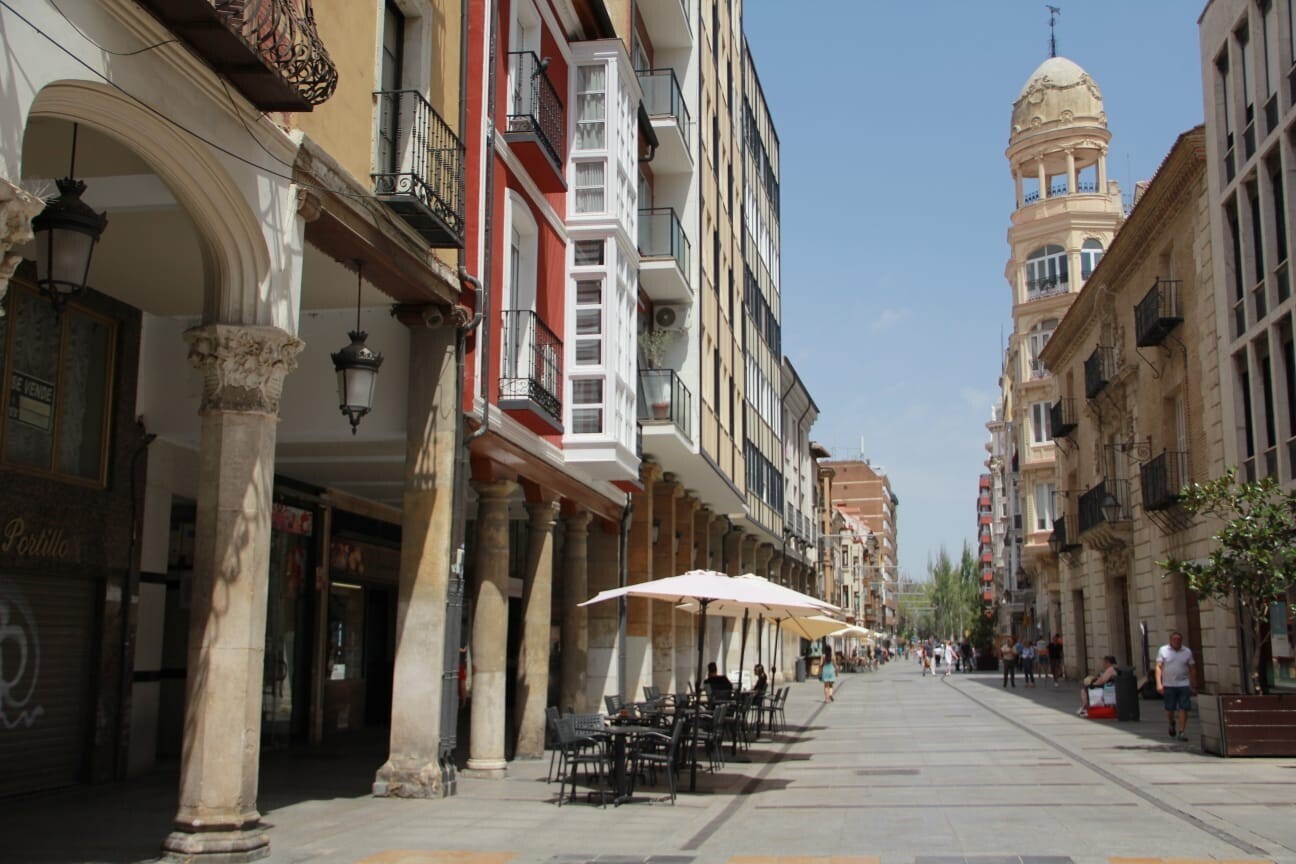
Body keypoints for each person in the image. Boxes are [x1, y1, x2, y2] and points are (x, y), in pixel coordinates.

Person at [1156, 630, 1196, 741]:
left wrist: (1193, 684)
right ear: (1170, 640)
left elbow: (1192, 668)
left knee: (1184, 707)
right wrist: (1159, 683)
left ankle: (1182, 731)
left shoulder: (1187, 651)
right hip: (1169, 684)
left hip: (1183, 684)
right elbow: (1159, 667)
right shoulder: (1163, 650)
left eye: (1178, 640)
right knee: (1170, 709)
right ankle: (1171, 722)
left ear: (1181, 641)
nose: (1176, 641)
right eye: (1174, 639)